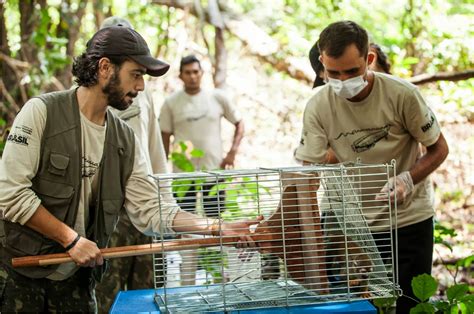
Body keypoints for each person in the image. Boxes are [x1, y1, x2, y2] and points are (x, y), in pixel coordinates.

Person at [0, 26, 259, 313]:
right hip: (20, 272)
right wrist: (71, 239)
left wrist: (216, 227)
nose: (141, 87)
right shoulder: (41, 112)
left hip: (76, 278)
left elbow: (150, 210)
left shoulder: (125, 139)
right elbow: (11, 194)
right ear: (105, 67)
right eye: (136, 75)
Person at [295, 21, 449, 313]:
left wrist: (408, 179)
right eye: (333, 73)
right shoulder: (318, 105)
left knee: (412, 305)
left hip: (407, 219)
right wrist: (297, 228)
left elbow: (439, 148)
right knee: (352, 308)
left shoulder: (402, 94)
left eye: (351, 72)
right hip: (346, 223)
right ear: (321, 64)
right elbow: (307, 173)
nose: (342, 81)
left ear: (368, 60)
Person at [92, 17, 168, 313]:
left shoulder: (141, 91)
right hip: (110, 212)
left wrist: (165, 199)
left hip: (147, 204)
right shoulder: (90, 95)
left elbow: (153, 146)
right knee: (106, 292)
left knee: (149, 294)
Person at [160, 55, 245, 218]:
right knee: (183, 218)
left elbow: (239, 123)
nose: (192, 76)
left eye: (195, 72)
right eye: (187, 73)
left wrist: (232, 153)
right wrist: (163, 166)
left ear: (202, 73)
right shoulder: (171, 102)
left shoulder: (217, 97)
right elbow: (164, 135)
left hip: (213, 168)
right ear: (180, 76)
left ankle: (214, 244)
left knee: (216, 217)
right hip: (182, 172)